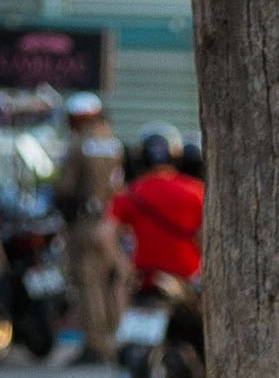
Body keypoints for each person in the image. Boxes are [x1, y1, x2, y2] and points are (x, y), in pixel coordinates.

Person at [50, 92, 126, 364]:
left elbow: (66, 187)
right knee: (111, 283)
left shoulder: (79, 144)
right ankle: (116, 340)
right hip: (111, 223)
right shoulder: (113, 142)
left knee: (88, 284)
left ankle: (95, 345)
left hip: (85, 224)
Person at [113, 130, 205, 287]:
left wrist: (123, 266)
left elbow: (106, 232)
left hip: (143, 278)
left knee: (119, 290)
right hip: (187, 277)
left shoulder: (130, 193)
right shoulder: (197, 191)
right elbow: (203, 236)